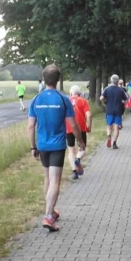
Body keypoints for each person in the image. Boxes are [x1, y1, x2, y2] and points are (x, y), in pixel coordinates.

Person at [28, 64, 83, 232]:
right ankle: (48, 216)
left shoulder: (36, 99)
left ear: (44, 79)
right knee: (55, 180)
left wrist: (33, 146)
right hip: (58, 145)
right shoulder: (63, 99)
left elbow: (31, 126)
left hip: (43, 145)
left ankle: (51, 211)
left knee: (47, 179)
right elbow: (73, 125)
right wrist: (80, 141)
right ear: (58, 80)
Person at [66, 86, 91, 180]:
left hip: (68, 128)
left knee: (71, 150)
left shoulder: (66, 101)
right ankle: (78, 159)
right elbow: (89, 115)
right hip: (81, 128)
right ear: (79, 93)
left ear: (71, 93)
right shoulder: (83, 101)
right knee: (82, 148)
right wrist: (89, 126)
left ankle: (74, 172)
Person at [99, 73, 129, 149]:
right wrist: (122, 102)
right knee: (116, 128)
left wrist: (104, 103)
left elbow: (101, 98)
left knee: (109, 126)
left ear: (111, 80)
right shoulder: (121, 90)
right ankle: (114, 143)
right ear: (118, 81)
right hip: (118, 110)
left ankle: (109, 136)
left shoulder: (107, 89)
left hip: (109, 110)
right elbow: (126, 100)